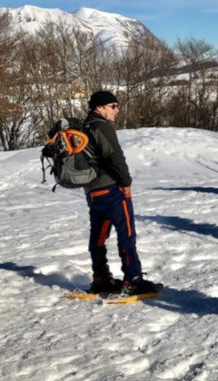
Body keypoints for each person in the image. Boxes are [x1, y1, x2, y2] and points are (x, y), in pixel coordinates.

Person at [82, 91, 160, 295]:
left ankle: (100, 279)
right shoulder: (102, 126)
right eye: (113, 106)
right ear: (100, 107)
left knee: (98, 237)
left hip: (92, 192)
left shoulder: (84, 127)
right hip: (112, 190)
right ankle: (133, 280)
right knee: (126, 234)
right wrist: (126, 183)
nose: (117, 110)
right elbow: (115, 157)